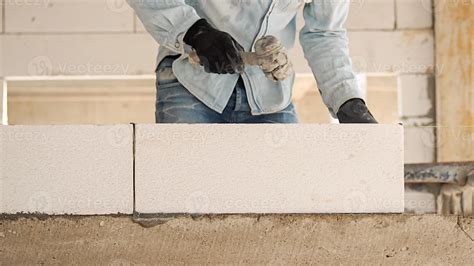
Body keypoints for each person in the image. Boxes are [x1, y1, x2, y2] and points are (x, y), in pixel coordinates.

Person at [128, 0, 377, 124]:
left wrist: (347, 99)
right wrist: (195, 32)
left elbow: (325, 33)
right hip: (190, 79)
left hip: (268, 91)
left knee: (283, 205)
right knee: (182, 199)